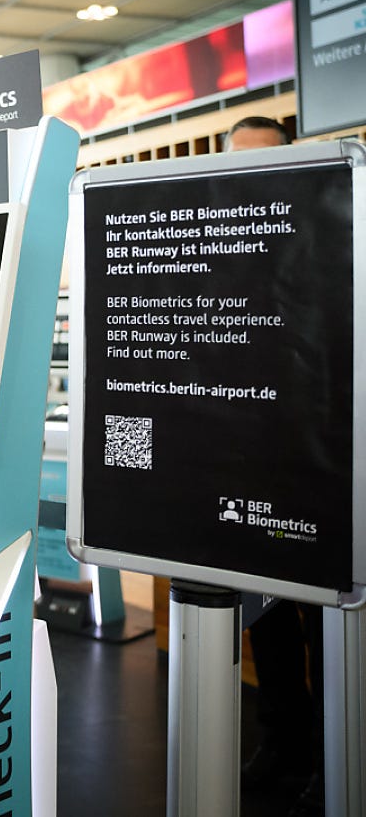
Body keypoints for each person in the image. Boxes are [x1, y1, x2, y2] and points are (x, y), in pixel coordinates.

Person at [224, 113, 323, 816]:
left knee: (328, 628)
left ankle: (334, 755)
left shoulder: (327, 239)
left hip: (317, 472)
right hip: (248, 464)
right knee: (268, 624)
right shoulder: (217, 246)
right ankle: (281, 745)